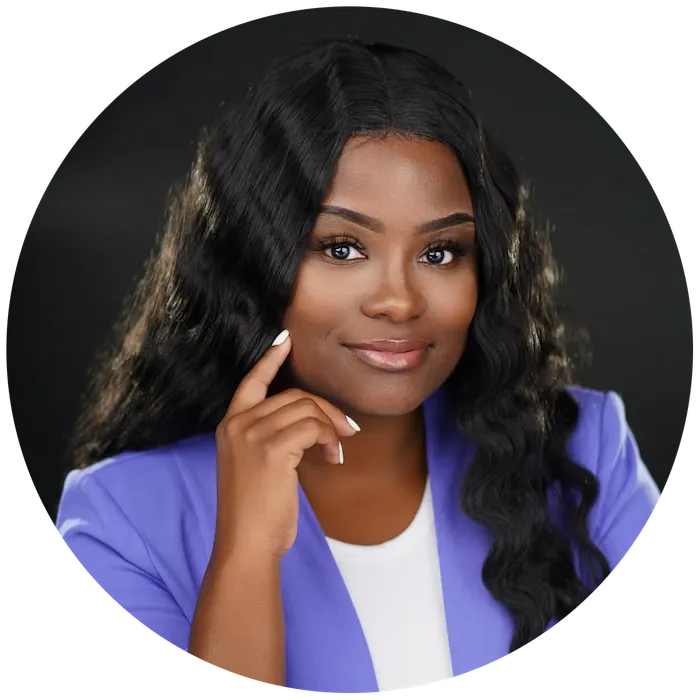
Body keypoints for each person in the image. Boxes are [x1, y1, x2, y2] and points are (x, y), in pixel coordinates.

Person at [55, 37, 661, 694]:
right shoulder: (120, 519)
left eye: (440, 253)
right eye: (342, 248)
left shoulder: (584, 448)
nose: (398, 301)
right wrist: (246, 554)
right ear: (255, 261)